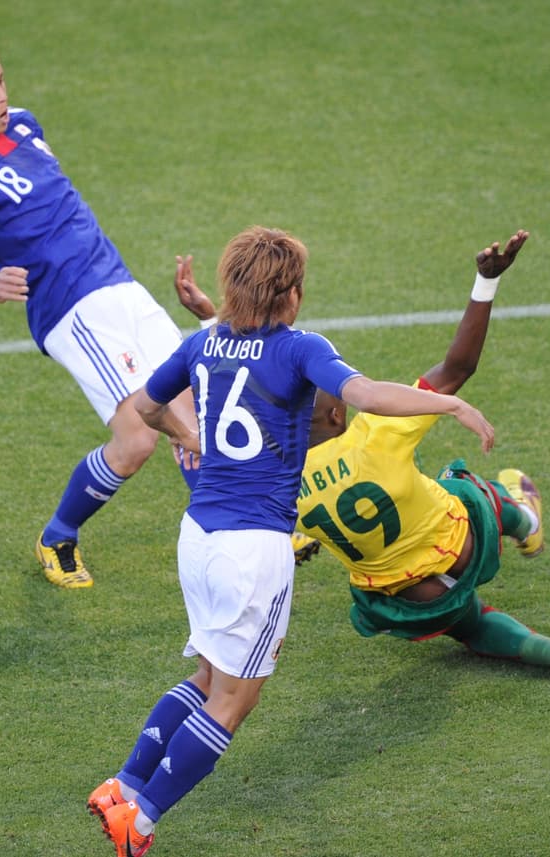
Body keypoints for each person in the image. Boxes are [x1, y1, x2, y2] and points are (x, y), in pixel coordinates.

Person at [86, 226, 495, 857]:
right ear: (293, 295)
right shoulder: (302, 348)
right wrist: (449, 407)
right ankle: (140, 820)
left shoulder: (203, 343)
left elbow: (143, 407)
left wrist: (192, 438)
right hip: (253, 550)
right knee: (233, 700)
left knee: (207, 675)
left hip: (198, 537)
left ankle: (125, 785)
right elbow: (364, 395)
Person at [175, 230, 550, 679]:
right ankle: (524, 522)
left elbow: (239, 386)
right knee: (463, 486)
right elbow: (458, 366)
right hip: (465, 548)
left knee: (470, 623)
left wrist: (211, 321)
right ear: (337, 414)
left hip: (409, 601)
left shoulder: (275, 480)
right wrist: (486, 282)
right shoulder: (376, 431)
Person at [0, 29, 201, 588]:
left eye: (1, 81)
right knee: (139, 438)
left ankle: (233, 524)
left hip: (117, 281)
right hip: (71, 309)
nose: (1, 95)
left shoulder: (25, 124)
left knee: (192, 403)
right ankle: (57, 536)